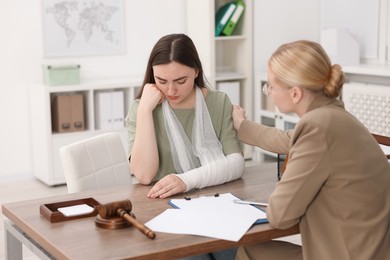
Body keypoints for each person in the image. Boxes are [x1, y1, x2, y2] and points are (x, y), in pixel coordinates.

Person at [232, 40, 390, 260]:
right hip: (372, 250)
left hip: (346, 254)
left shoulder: (315, 127)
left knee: (249, 251)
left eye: (271, 86)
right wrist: (242, 126)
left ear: (295, 94)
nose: (269, 92)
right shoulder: (337, 118)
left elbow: (280, 215)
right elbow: (287, 140)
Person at [125, 33, 244, 198]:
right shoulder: (142, 108)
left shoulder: (218, 102)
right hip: (158, 201)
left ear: (196, 72)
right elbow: (144, 176)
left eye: (180, 81)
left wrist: (186, 180)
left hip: (212, 197)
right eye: (162, 81)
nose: (171, 91)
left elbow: (236, 164)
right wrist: (144, 110)